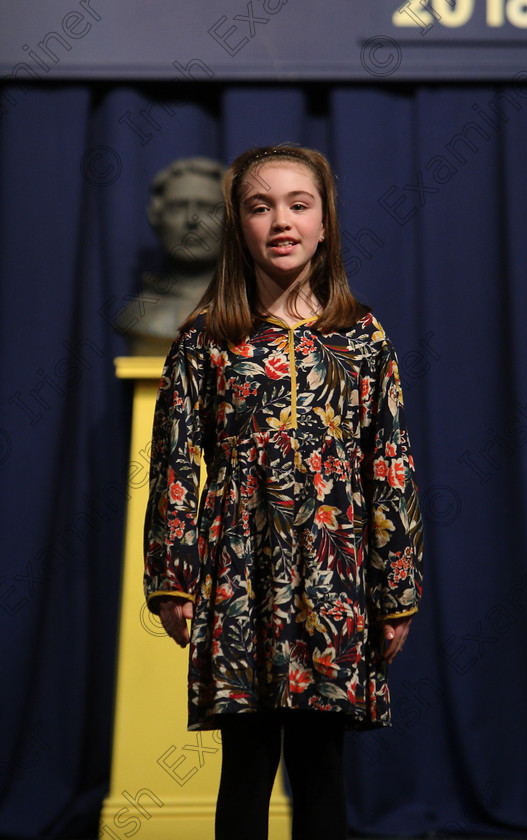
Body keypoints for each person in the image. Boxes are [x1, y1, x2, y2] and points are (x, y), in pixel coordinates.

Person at [143, 144, 424, 840]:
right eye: (260, 206)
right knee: (247, 760)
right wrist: (172, 580)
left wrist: (395, 590)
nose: (281, 221)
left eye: (299, 205)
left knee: (321, 764)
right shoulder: (207, 340)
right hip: (239, 578)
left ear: (324, 222)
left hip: (335, 581)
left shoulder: (361, 339)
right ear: (238, 223)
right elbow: (176, 466)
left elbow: (389, 465)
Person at [115, 157, 224, 355]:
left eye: (207, 208)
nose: (192, 220)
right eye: (178, 207)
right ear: (156, 217)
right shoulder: (138, 314)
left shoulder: (251, 310)